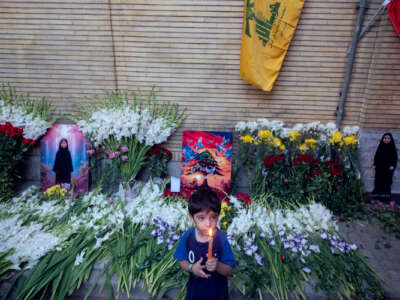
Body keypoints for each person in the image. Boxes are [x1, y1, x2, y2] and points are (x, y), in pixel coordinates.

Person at [174, 187, 235, 300]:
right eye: (201, 218)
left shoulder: (221, 240)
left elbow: (229, 270)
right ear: (191, 217)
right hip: (195, 292)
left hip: (217, 293)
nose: (208, 223)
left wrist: (217, 266)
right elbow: (181, 261)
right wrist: (192, 268)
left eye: (213, 217)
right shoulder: (188, 237)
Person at [372, 133, 398, 200]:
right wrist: (374, 164)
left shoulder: (392, 148)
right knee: (378, 180)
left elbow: (395, 158)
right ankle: (377, 196)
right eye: (385, 138)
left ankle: (385, 196)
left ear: (390, 139)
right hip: (379, 167)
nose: (386, 139)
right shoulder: (380, 147)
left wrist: (393, 165)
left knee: (387, 181)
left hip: (388, 168)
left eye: (388, 138)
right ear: (383, 139)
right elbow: (376, 156)